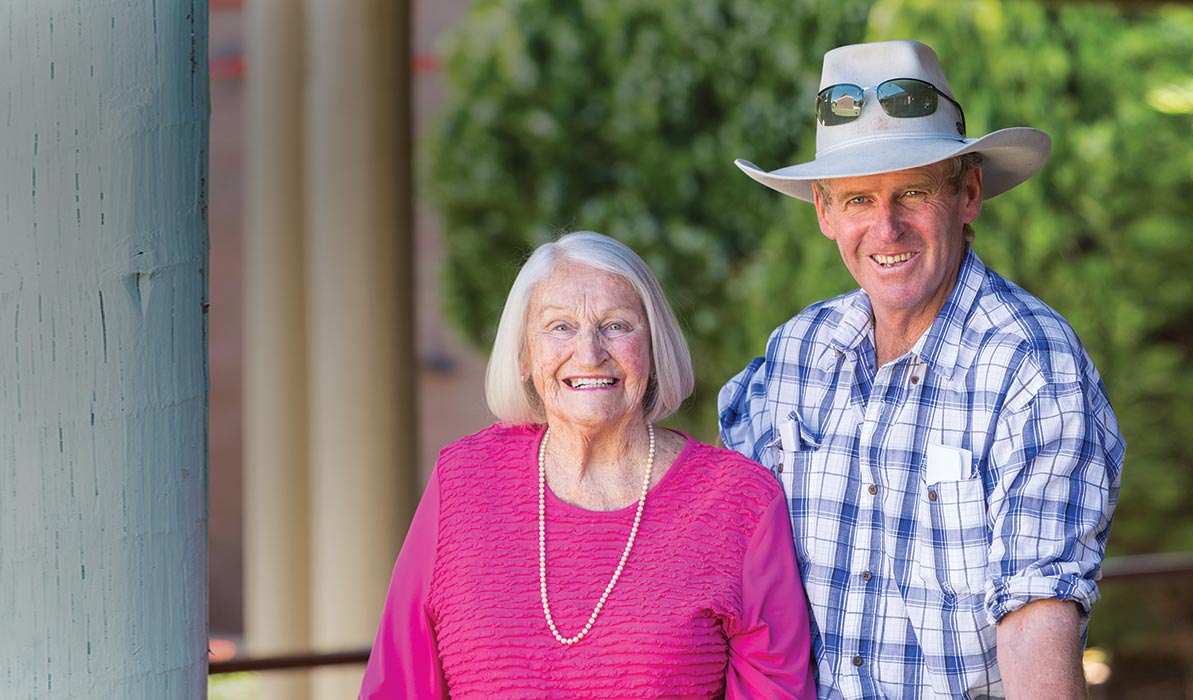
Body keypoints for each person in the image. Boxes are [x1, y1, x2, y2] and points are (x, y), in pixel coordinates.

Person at [719, 40, 1125, 699]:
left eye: (912, 192)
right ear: (823, 212)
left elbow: (1034, 613)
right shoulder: (794, 355)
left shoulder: (1030, 364)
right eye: (857, 200)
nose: (886, 228)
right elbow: (722, 563)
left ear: (967, 193)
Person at [361, 231, 816, 699]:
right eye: (560, 327)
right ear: (524, 355)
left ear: (654, 349)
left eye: (616, 325)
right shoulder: (461, 480)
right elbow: (397, 684)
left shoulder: (740, 502)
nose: (589, 352)